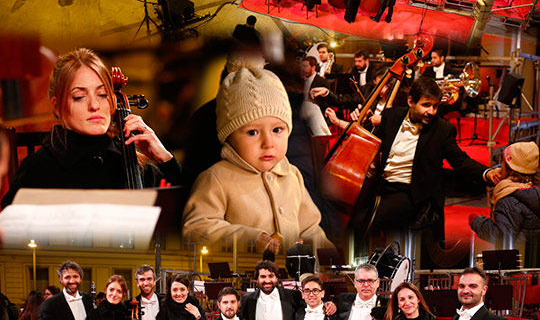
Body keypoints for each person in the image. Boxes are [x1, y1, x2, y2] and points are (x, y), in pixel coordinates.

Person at [182, 60, 334, 250]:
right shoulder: (216, 179)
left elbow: (310, 228)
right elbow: (197, 228)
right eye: (253, 132)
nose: (268, 143)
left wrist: (328, 254)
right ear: (229, 136)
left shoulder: (292, 175)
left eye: (277, 130)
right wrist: (249, 239)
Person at [2, 47, 182, 206]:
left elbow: (185, 211)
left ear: (112, 100)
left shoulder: (132, 162)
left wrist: (165, 159)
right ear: (57, 106)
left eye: (102, 94)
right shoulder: (38, 169)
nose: (94, 105)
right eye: (79, 97)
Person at [364, 76, 497, 236]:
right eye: (426, 105)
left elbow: (460, 161)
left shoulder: (442, 130)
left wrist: (487, 173)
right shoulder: (391, 116)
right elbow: (371, 140)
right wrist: (349, 123)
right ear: (411, 101)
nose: (431, 112)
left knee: (371, 221)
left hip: (412, 193)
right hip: (382, 186)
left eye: (435, 106)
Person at [469, 140, 540, 244]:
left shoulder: (509, 200)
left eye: (502, 163)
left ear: (509, 169)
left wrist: (477, 222)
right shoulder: (533, 189)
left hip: (518, 257)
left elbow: (501, 237)